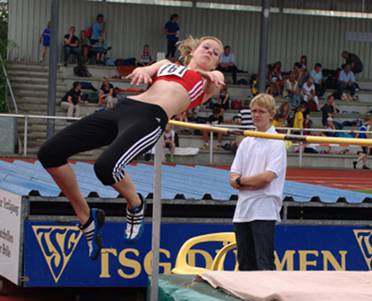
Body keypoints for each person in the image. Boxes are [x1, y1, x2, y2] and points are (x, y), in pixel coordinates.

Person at [38, 35, 225, 259]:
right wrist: (145, 71)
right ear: (193, 51)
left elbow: (214, 81)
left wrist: (210, 73)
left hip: (151, 118)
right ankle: (86, 217)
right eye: (206, 48)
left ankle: (135, 204)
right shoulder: (167, 65)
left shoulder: (211, 80)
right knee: (49, 153)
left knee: (106, 167)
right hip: (125, 109)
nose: (210, 53)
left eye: (216, 54)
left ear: (217, 63)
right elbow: (149, 69)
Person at [229, 93, 286, 271]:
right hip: (243, 210)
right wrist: (246, 181)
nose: (256, 115)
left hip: (264, 210)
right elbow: (232, 178)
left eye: (261, 111)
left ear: (271, 114)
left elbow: (266, 178)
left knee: (264, 264)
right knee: (245, 263)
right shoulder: (246, 142)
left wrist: (241, 181)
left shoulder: (276, 143)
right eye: (254, 111)